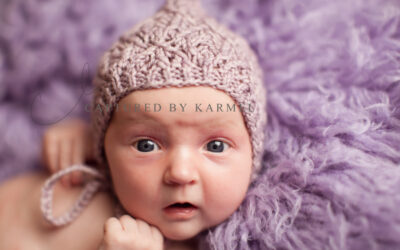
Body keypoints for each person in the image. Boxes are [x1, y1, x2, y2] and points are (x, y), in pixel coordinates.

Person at [0, 0, 267, 249]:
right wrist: (76, 140)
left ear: (254, 153)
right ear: (104, 147)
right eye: (146, 144)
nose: (181, 173)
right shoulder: (82, 173)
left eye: (216, 146)